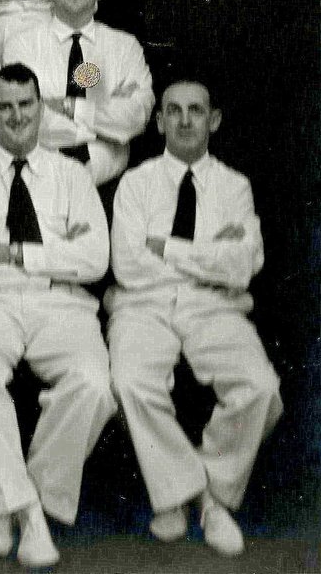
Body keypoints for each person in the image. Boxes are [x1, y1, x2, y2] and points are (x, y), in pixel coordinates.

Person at [0, 63, 114, 568]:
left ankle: (10, 509)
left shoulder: (73, 175)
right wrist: (56, 253)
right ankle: (32, 516)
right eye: (5, 107)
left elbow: (95, 260)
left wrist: (11, 253)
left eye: (25, 105)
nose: (17, 116)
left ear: (41, 108)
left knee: (93, 384)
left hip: (63, 304)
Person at [105, 77, 282, 556]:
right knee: (129, 380)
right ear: (159, 121)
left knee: (261, 388)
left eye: (196, 110)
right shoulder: (135, 183)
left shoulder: (234, 186)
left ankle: (206, 492)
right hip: (143, 304)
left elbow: (243, 266)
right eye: (174, 110)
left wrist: (166, 247)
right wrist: (210, 253)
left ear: (214, 120)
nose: (185, 120)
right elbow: (128, 265)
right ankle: (196, 497)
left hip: (214, 306)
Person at [2, 0, 154, 187]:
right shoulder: (21, 45)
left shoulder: (125, 47)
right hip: (40, 182)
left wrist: (67, 107)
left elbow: (135, 119)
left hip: (109, 187)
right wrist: (106, 122)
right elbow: (25, 121)